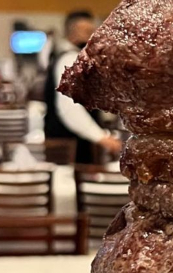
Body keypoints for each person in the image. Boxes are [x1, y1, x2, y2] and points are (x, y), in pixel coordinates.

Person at [44, 11, 122, 164]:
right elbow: (69, 108)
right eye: (87, 31)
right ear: (72, 32)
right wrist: (101, 138)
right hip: (70, 149)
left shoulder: (72, 57)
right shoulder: (70, 59)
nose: (93, 37)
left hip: (71, 147)